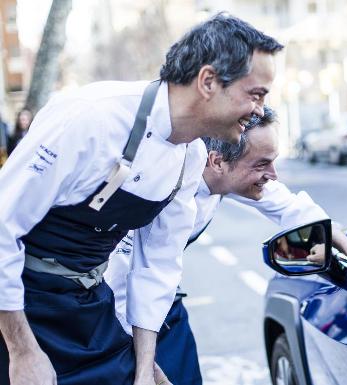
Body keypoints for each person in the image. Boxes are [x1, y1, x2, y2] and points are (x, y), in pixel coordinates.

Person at [0, 13, 283, 385]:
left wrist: (145, 368)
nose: (260, 110)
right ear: (208, 81)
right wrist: (22, 352)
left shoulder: (190, 158)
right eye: (255, 94)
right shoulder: (91, 118)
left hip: (90, 305)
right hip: (17, 306)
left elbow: (156, 268)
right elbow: (2, 228)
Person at [106, 106, 347, 385]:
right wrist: (146, 368)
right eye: (262, 164)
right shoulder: (163, 191)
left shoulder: (225, 175)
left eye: (273, 161)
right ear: (217, 161)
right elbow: (128, 281)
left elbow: (292, 208)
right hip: (117, 310)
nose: (273, 174)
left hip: (165, 302)